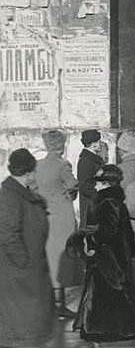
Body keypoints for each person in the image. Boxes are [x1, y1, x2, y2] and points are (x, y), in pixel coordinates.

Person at [73, 165, 135, 347]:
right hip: (116, 255)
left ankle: (107, 333)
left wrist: (91, 239)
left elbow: (107, 231)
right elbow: (125, 232)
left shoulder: (106, 202)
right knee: (116, 295)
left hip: (107, 257)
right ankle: (119, 332)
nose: (96, 187)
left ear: (107, 184)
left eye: (99, 183)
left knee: (109, 295)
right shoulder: (115, 201)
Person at [0, 149, 54, 348]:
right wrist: (24, 263)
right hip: (20, 274)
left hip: (30, 269)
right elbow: (7, 234)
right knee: (22, 330)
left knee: (32, 328)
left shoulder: (23, 194)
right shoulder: (10, 196)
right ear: (29, 171)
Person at [35, 129, 80, 318]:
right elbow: (73, 184)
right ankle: (60, 304)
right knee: (62, 257)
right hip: (62, 216)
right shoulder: (63, 165)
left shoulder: (37, 165)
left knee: (49, 257)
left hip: (45, 214)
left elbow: (33, 188)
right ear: (62, 145)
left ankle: (50, 302)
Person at [77, 129, 105, 226]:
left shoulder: (90, 159)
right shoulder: (87, 161)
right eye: (98, 141)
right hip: (91, 206)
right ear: (93, 144)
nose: (100, 144)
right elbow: (85, 186)